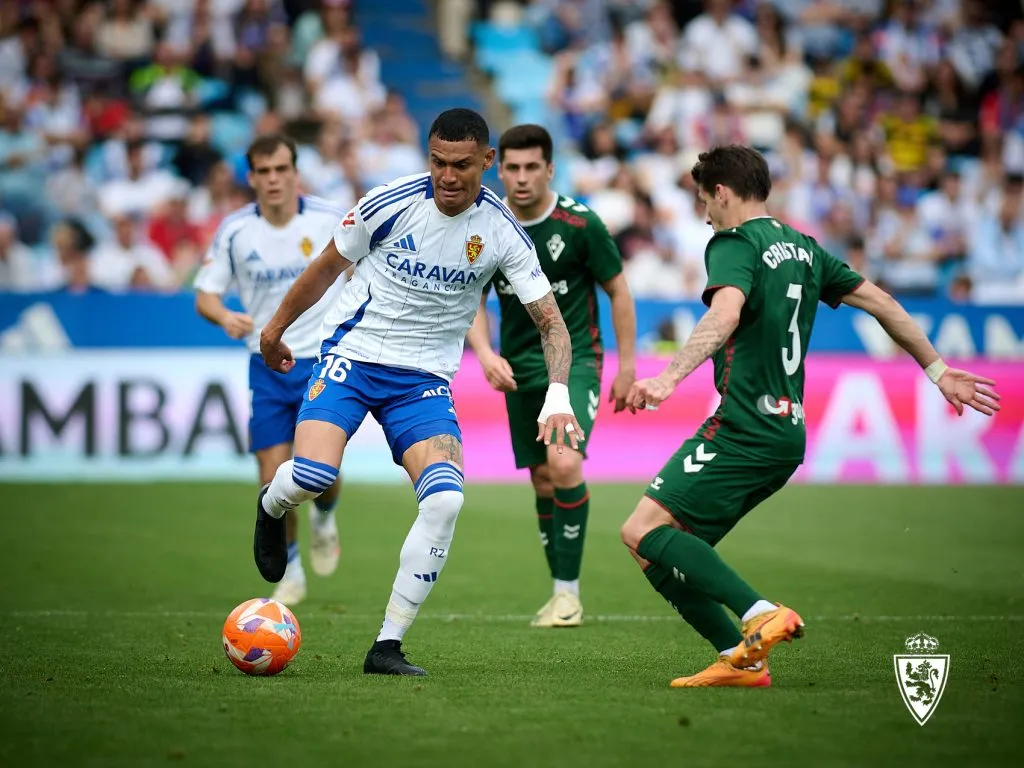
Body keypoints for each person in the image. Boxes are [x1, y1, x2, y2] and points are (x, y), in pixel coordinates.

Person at [619, 145, 1001, 688]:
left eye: (706, 200)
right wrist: (939, 371)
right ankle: (742, 660)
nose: (705, 213)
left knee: (641, 529)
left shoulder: (733, 242)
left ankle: (758, 614)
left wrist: (667, 378)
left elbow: (724, 312)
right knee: (664, 547)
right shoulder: (805, 248)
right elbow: (885, 304)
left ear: (722, 193)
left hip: (743, 426)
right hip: (787, 432)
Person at [253, 108, 584, 677]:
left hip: (423, 381)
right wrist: (274, 329)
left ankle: (387, 645)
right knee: (312, 476)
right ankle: (271, 504)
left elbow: (552, 323)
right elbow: (327, 267)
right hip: (353, 358)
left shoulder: (503, 231)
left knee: (446, 500)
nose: (447, 176)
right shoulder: (388, 202)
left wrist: (558, 394)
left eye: (461, 165)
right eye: (437, 162)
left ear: (487, 163)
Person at [466, 124, 636, 628]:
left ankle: (570, 596)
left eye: (531, 167)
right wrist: (484, 351)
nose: (520, 178)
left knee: (562, 465)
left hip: (577, 360)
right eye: (512, 168)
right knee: (541, 478)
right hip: (518, 370)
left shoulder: (580, 224)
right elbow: (473, 297)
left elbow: (619, 292)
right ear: (500, 169)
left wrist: (626, 368)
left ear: (550, 169)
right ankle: (560, 593)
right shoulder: (485, 226)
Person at [194, 134, 346, 607]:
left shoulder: (329, 218)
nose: (274, 179)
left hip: (325, 359)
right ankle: (293, 569)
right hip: (267, 365)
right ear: (252, 177)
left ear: (295, 171)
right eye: (264, 171)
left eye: (282, 169)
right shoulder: (236, 231)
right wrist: (224, 316)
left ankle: (325, 518)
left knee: (320, 473)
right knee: (272, 474)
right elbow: (206, 294)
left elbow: (363, 271)